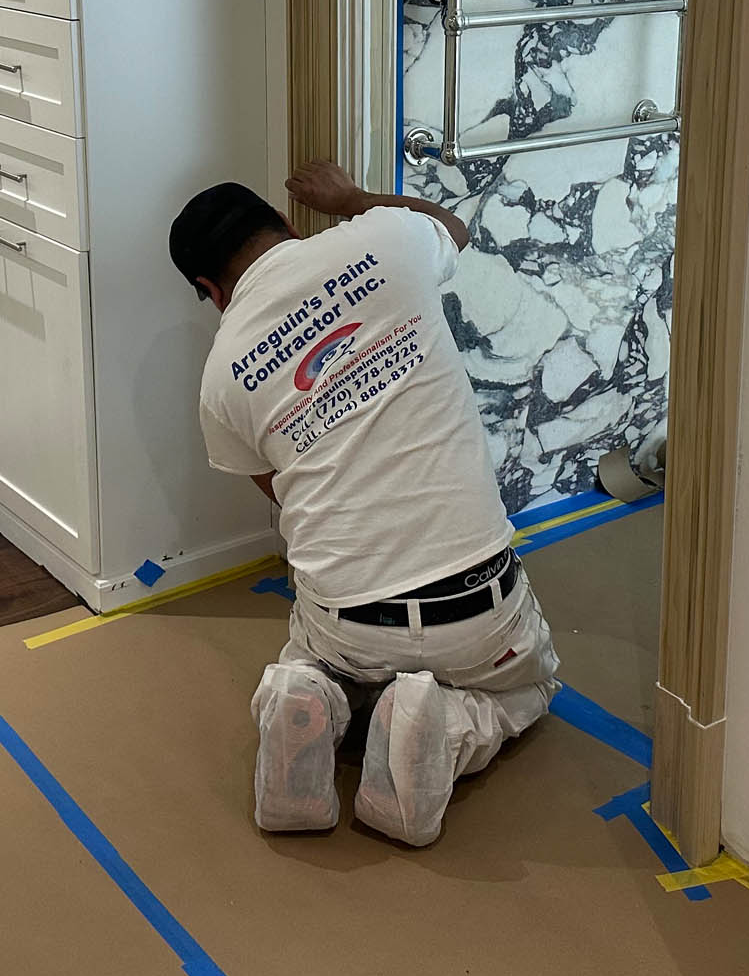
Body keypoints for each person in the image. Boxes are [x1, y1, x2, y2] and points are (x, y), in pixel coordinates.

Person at [167, 159, 560, 847]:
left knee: (320, 649)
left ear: (210, 289)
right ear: (287, 223)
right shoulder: (386, 238)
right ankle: (446, 726)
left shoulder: (221, 378)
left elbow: (287, 495)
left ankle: (310, 689)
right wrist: (355, 199)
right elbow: (455, 228)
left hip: (349, 620)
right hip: (473, 608)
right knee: (530, 684)